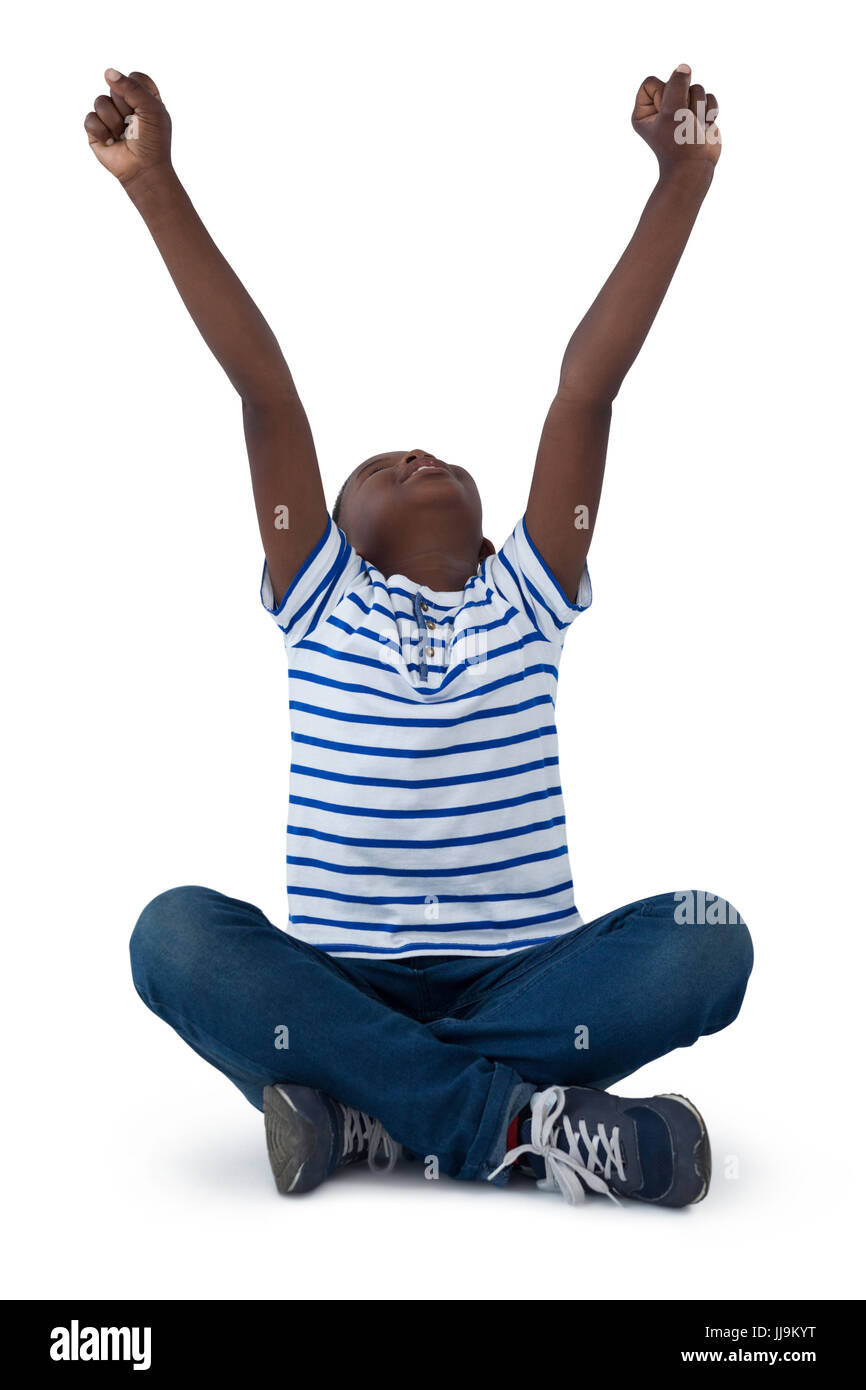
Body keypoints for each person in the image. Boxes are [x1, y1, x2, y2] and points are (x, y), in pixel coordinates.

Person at [85, 61, 752, 1208]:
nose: (412, 454)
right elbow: (266, 395)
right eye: (378, 466)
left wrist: (680, 180)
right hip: (339, 983)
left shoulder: (527, 597)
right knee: (172, 935)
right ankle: (501, 1120)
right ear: (332, 532)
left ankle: (371, 1114)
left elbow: (584, 393)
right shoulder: (319, 593)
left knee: (711, 933)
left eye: (430, 456)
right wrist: (156, 186)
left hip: (527, 986)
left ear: (498, 540)